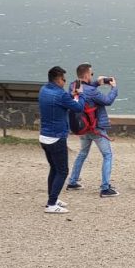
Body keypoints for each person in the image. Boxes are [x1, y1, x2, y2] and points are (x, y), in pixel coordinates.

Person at [66, 63, 119, 198]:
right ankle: (105, 188)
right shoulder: (92, 91)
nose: (92, 75)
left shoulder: (74, 86)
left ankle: (72, 181)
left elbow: (87, 90)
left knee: (82, 153)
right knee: (107, 155)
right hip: (96, 128)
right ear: (86, 75)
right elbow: (107, 100)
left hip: (83, 127)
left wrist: (97, 82)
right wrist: (114, 88)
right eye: (92, 74)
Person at [38, 66, 84, 214]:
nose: (65, 82)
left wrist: (71, 96)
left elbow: (62, 102)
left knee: (54, 168)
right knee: (63, 171)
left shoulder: (43, 90)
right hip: (56, 138)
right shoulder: (61, 95)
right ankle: (51, 204)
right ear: (58, 79)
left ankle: (53, 198)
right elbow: (79, 108)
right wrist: (79, 95)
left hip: (44, 136)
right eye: (64, 79)